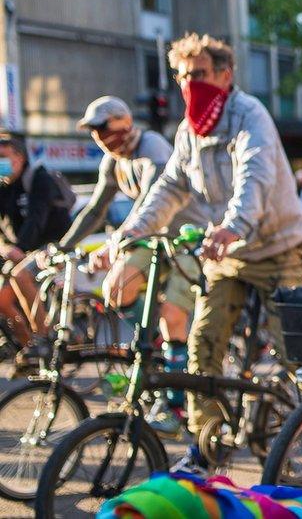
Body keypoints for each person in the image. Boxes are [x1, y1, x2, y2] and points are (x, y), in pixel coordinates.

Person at [124, 33, 302, 467]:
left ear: (226, 75)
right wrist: (132, 230)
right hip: (228, 255)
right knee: (202, 345)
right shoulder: (191, 127)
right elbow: (170, 185)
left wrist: (232, 226)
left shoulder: (249, 114)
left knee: (293, 352)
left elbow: (256, 175)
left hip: (277, 249)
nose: (190, 83)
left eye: (201, 74)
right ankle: (205, 446)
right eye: (183, 76)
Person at [61, 96, 209, 433]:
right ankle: (160, 344)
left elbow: (150, 202)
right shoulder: (113, 161)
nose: (98, 136)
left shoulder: (152, 145)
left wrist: (115, 244)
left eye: (103, 127)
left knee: (174, 313)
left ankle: (174, 404)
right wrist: (63, 245)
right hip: (148, 239)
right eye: (93, 131)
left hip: (184, 236)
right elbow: (96, 208)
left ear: (124, 123)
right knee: (115, 289)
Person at [0, 135, 72, 350]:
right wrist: (7, 247)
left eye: (3, 156)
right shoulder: (2, 186)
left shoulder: (39, 178)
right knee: (2, 301)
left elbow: (36, 219)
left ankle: (43, 339)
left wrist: (19, 249)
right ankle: (27, 348)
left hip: (51, 246)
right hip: (19, 251)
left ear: (20, 157)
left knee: (20, 275)